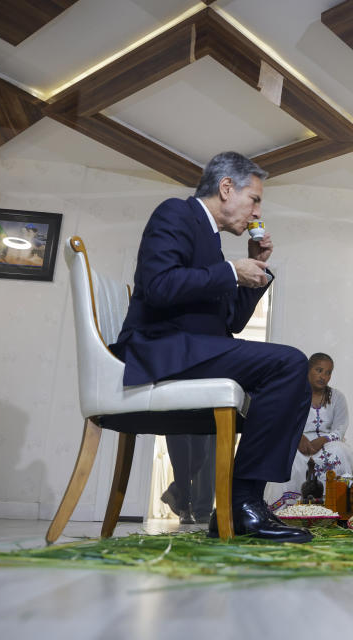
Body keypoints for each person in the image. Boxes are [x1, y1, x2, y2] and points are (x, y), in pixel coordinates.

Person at [109, 151, 313, 543]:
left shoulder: (211, 243)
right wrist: (229, 271)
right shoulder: (175, 213)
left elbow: (232, 322)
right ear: (225, 188)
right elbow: (157, 286)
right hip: (161, 348)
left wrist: (255, 269)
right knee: (289, 364)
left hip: (193, 347)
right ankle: (242, 504)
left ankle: (239, 505)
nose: (256, 213)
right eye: (254, 199)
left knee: (285, 370)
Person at [265, 352, 353, 507]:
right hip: (297, 441)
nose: (323, 376)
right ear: (307, 370)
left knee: (340, 451)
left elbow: (340, 428)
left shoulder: (337, 397)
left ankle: (336, 505)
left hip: (327, 443)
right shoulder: (293, 394)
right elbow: (284, 422)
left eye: (328, 373)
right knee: (289, 457)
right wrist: (297, 437)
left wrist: (323, 439)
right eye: (319, 370)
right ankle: (287, 509)